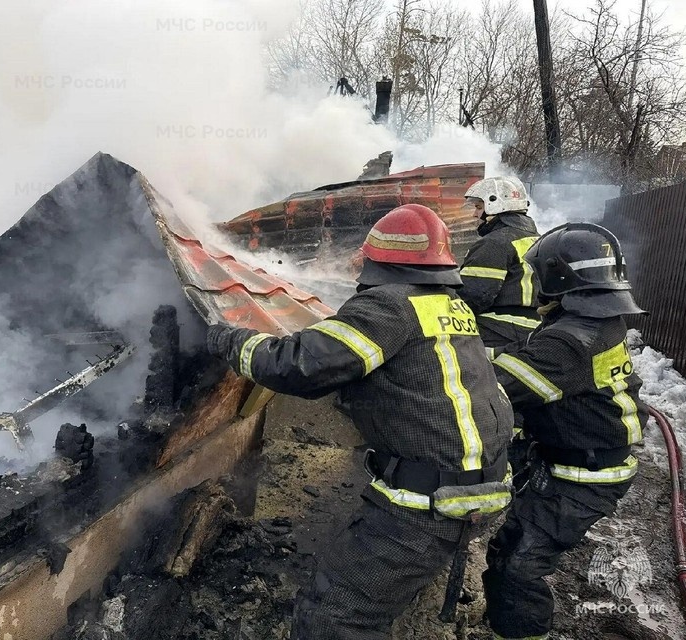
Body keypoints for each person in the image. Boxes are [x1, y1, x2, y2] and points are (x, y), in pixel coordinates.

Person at [205, 204, 513, 640]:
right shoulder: (449, 306)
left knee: (334, 616)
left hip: (429, 503)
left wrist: (226, 337)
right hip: (478, 482)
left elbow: (300, 366)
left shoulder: (389, 307)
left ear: (377, 260)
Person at [482, 222, 648, 640]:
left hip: (583, 477)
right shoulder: (593, 322)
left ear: (559, 278)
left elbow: (499, 387)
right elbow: (524, 356)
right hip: (578, 458)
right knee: (511, 548)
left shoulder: (571, 341)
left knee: (519, 569)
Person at [458, 176, 541, 358]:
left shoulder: (495, 243)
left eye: (479, 207)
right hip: (534, 331)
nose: (475, 214)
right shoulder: (539, 239)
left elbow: (472, 296)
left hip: (496, 332)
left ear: (495, 205)